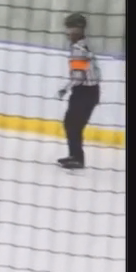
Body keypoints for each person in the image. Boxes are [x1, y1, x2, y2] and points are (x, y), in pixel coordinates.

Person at [56, 12, 101, 170]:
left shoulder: (78, 49)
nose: (67, 33)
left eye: (70, 28)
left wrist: (64, 89)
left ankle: (77, 158)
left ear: (77, 29)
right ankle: (74, 156)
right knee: (73, 124)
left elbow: (78, 76)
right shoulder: (85, 44)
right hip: (90, 91)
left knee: (72, 124)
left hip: (84, 92)